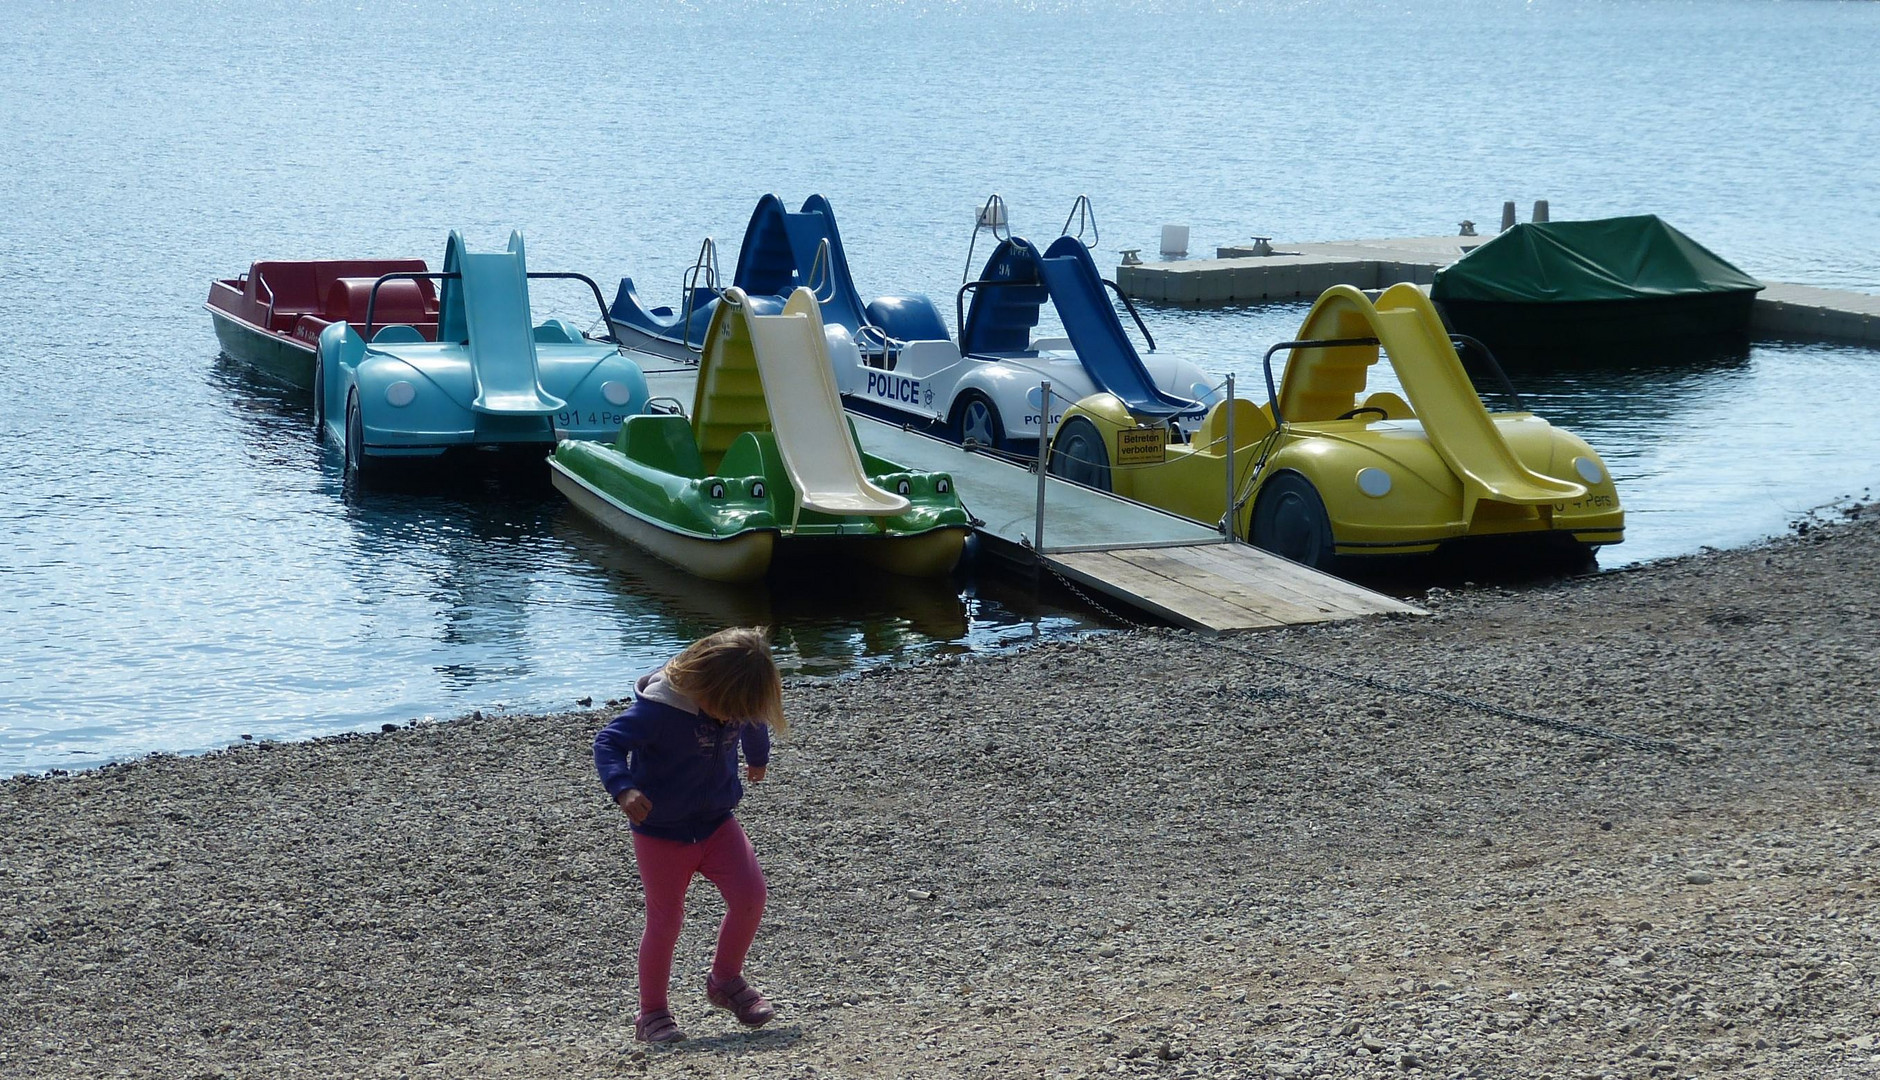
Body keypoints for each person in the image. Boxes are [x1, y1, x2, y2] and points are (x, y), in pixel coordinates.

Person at [593, 627, 787, 1044]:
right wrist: (623, 789)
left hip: (717, 821)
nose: (731, 718)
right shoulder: (659, 711)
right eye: (727, 710)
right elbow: (608, 742)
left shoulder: (734, 700)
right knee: (666, 921)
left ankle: (725, 980)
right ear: (704, 686)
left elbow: (752, 718)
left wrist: (758, 756)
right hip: (661, 832)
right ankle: (652, 1013)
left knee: (751, 896)